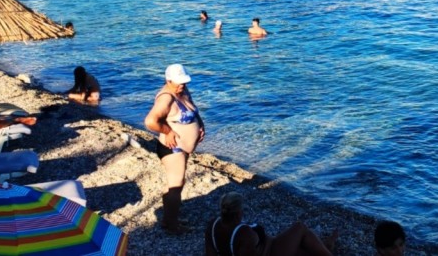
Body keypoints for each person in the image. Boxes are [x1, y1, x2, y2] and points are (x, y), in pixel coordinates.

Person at [144, 64, 206, 233]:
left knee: (178, 184)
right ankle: (172, 225)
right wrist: (168, 131)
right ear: (168, 80)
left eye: (184, 82)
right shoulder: (166, 98)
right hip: (172, 149)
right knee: (175, 186)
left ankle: (169, 218)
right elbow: (150, 121)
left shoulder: (183, 91)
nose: (182, 85)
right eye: (179, 83)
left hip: (183, 149)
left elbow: (193, 111)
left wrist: (200, 126)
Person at [205, 192, 336, 256]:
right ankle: (327, 248)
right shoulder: (244, 234)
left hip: (271, 245)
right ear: (239, 212)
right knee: (300, 227)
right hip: (271, 251)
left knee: (306, 246)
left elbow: (210, 253)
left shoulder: (212, 225)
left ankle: (326, 245)